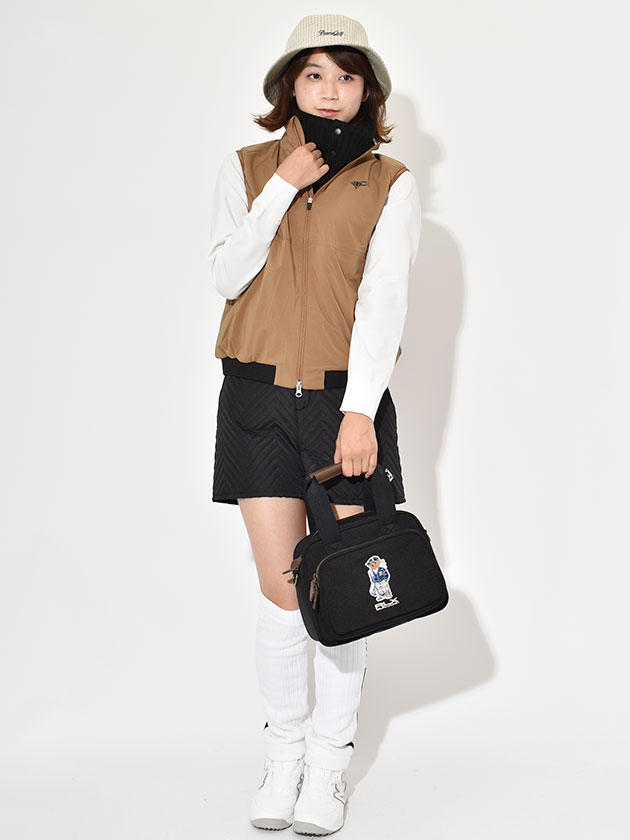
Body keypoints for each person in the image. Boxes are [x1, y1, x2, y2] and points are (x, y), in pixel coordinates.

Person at [207, 14, 421, 836]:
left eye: (347, 75)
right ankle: (284, 757)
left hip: (341, 403)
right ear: (289, 86)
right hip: (255, 399)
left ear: (368, 91)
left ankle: (329, 767)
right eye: (315, 74)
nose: (331, 90)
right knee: (280, 591)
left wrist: (360, 409)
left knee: (344, 583)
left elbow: (385, 301)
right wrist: (282, 186)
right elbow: (227, 274)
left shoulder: (389, 182)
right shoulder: (247, 167)